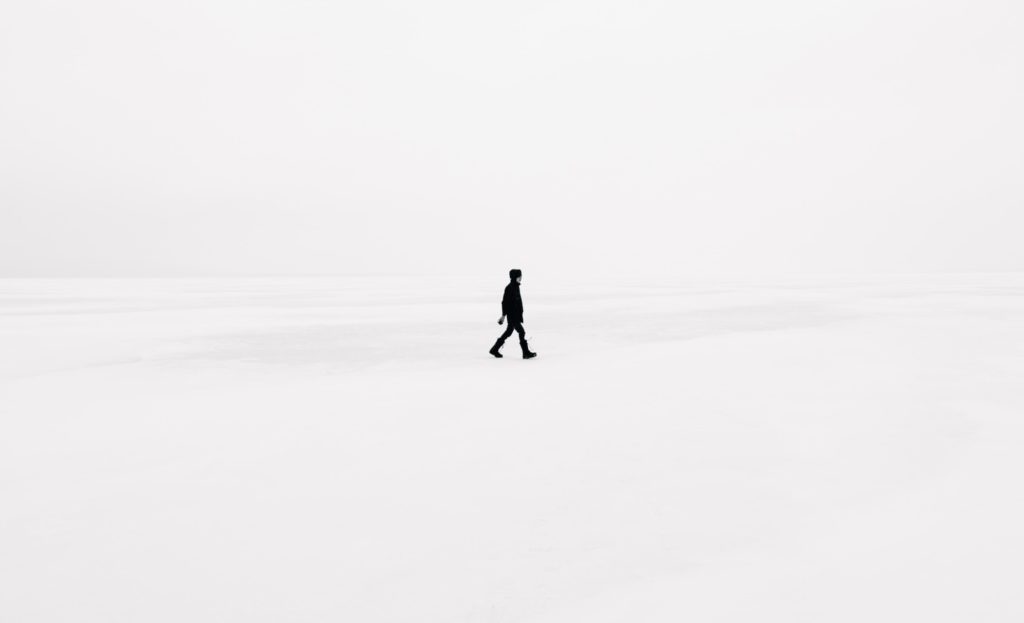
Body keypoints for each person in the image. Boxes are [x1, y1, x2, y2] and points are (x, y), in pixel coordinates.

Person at [489, 268, 537, 359]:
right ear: (514, 277)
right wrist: (503, 315)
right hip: (512, 315)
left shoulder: (516, 286)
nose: (520, 278)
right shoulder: (509, 288)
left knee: (508, 332)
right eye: (518, 276)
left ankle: (494, 349)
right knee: (521, 332)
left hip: (516, 315)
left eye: (521, 276)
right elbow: (504, 302)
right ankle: (525, 352)